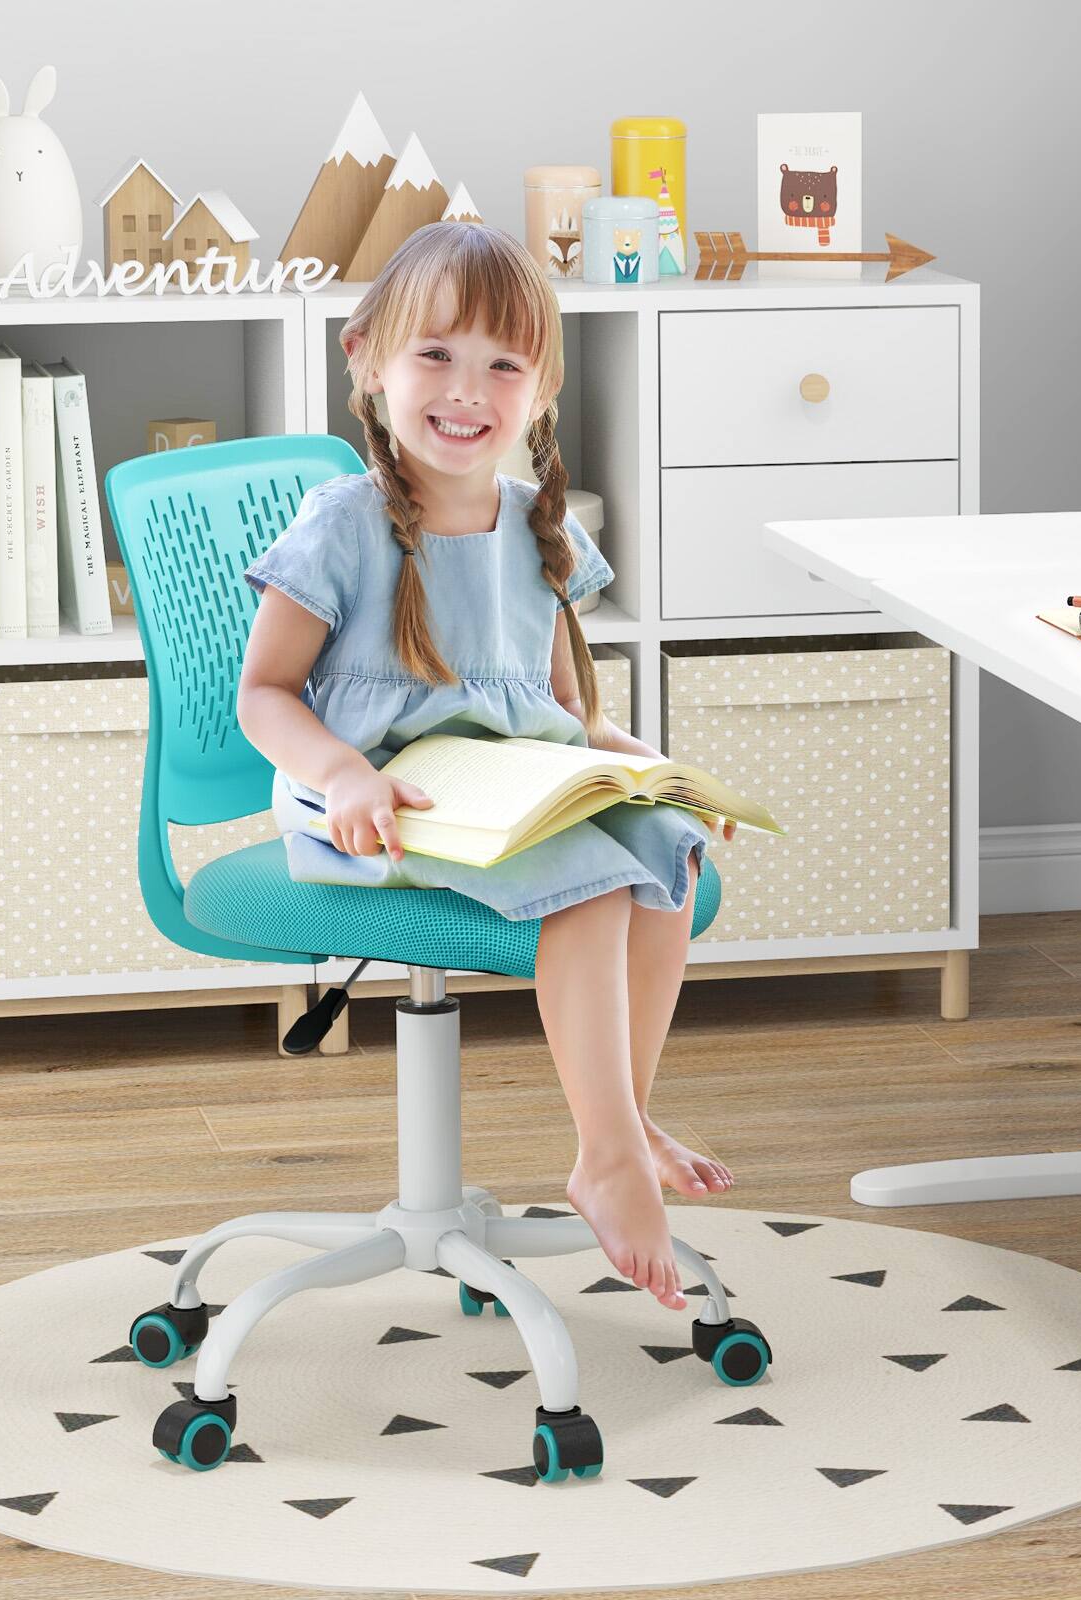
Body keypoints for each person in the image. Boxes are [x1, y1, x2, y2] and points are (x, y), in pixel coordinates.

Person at [237, 221, 737, 1313]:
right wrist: (346, 777)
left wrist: (656, 773)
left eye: (502, 364)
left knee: (665, 852)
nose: (467, 390)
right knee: (597, 889)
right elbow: (264, 695)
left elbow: (559, 714)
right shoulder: (344, 523)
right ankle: (608, 1150)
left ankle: (621, 1118)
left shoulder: (538, 527)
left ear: (541, 386)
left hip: (505, 792)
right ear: (367, 357)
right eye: (436, 355)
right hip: (373, 802)